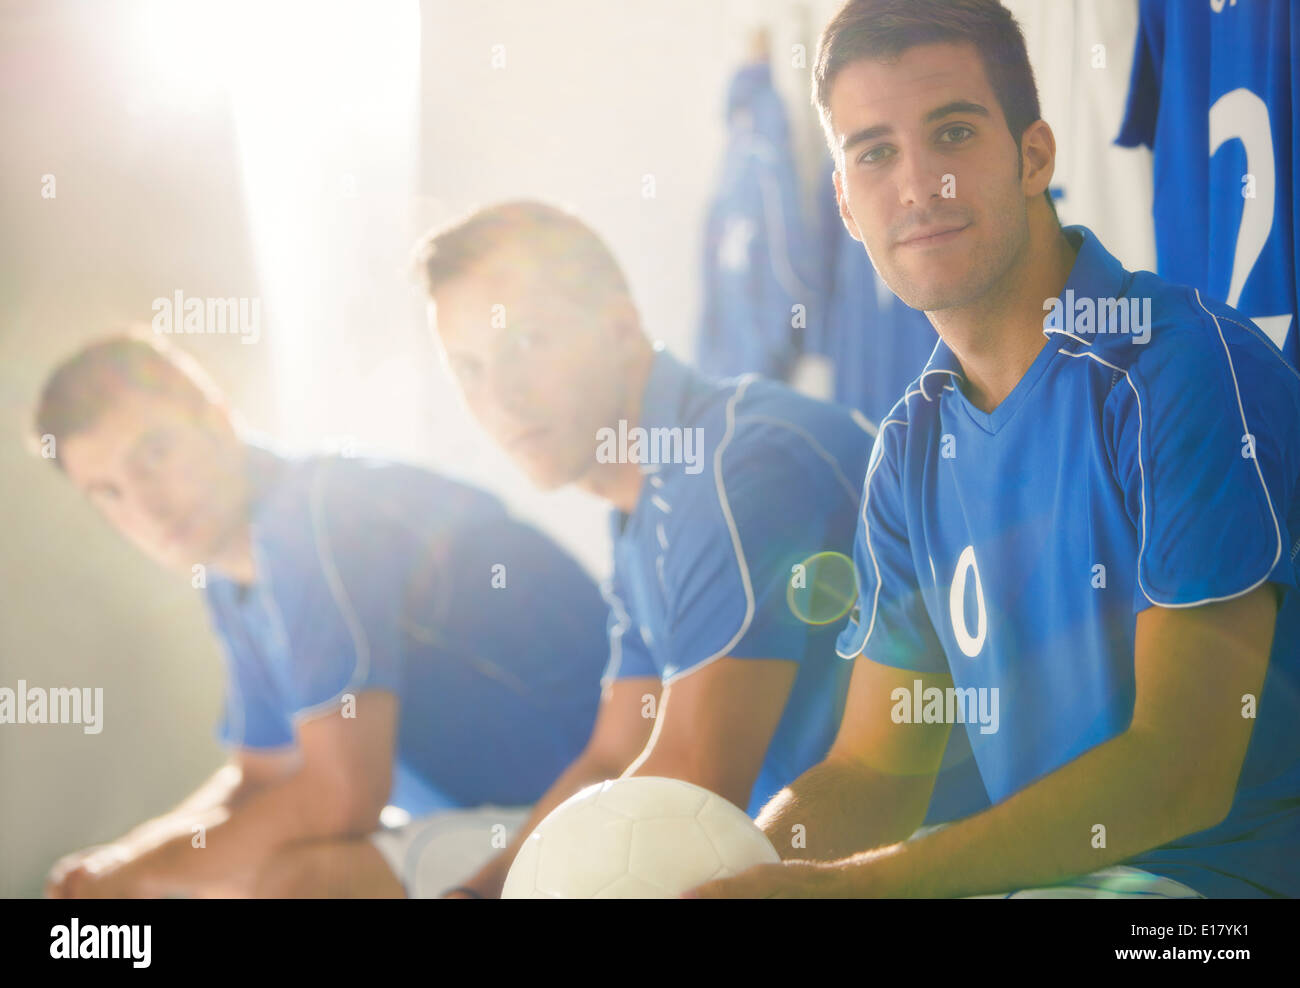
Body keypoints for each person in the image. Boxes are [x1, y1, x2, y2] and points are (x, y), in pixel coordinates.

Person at [693, 0, 1300, 899]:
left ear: (1035, 156)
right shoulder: (909, 448)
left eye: (953, 133)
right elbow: (874, 770)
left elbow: (1180, 771)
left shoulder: (1179, 371)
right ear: (845, 205)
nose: (918, 185)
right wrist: (726, 871)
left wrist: (851, 890)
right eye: (875, 153)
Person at [413, 201, 898, 898]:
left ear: (618, 325)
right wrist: (479, 891)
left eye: (527, 343)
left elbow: (686, 791)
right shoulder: (644, 503)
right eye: (469, 369)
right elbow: (613, 757)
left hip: (926, 865)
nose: (502, 397)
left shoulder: (735, 468)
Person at [37, 334, 609, 898]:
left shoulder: (314, 520)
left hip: (607, 799)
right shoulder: (229, 571)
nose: (146, 506)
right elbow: (262, 777)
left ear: (213, 414)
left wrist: (139, 877)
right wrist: (118, 863)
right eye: (108, 492)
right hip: (501, 824)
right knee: (229, 871)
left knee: (299, 885)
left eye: (155, 455)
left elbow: (344, 795)